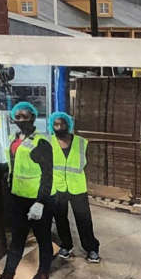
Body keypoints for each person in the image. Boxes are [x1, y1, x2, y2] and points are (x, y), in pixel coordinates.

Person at [0, 106, 61, 279]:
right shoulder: (14, 140)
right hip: (18, 199)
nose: (20, 119)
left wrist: (40, 203)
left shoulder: (41, 142)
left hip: (40, 201)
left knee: (43, 240)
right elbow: (14, 166)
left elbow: (48, 176)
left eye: (25, 117)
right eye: (17, 117)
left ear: (34, 118)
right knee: (16, 242)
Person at [44, 112, 100, 263]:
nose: (59, 127)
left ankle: (91, 249)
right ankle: (66, 246)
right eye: (56, 124)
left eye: (62, 124)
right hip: (57, 187)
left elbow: (91, 164)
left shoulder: (82, 142)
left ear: (68, 125)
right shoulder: (48, 141)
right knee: (60, 219)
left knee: (84, 219)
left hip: (77, 187)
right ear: (51, 126)